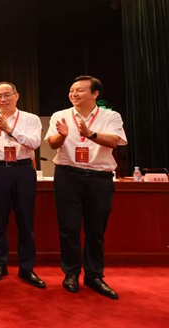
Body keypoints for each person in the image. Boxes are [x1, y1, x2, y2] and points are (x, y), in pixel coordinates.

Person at [46, 75, 127, 300]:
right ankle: (71, 273)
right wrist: (62, 136)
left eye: (79, 90)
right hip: (67, 176)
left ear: (95, 94)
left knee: (96, 230)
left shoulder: (110, 116)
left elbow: (114, 141)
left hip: (99, 178)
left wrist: (90, 134)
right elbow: (51, 143)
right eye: (71, 90)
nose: (73, 94)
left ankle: (94, 275)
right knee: (69, 228)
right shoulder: (60, 116)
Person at [0, 82, 45, 288]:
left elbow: (34, 143)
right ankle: (0, 264)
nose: (2, 99)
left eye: (7, 95)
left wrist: (10, 130)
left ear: (16, 96)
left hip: (23, 171)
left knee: (25, 221)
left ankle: (26, 268)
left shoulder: (30, 119)